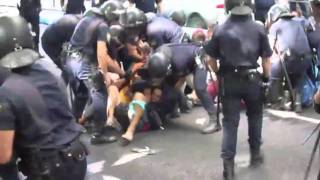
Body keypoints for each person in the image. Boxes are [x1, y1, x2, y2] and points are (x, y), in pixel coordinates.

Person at [0, 15, 87, 180]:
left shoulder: (6, 93)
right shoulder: (50, 74)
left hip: (49, 170)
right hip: (77, 158)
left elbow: (3, 156)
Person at [204, 0, 272, 179]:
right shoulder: (258, 28)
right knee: (255, 117)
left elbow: (210, 59)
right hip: (252, 79)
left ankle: (228, 168)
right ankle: (255, 154)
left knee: (229, 123)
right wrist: (266, 79)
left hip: (229, 80)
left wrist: (219, 73)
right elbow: (266, 60)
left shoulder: (220, 29)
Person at [66, 0, 126, 144]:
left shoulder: (87, 19)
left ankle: (72, 127)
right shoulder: (103, 26)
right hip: (83, 62)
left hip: (70, 59)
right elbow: (101, 54)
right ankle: (98, 134)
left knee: (80, 95)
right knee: (100, 94)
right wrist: (105, 75)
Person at [146, 42, 222, 134]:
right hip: (178, 61)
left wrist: (178, 97)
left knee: (200, 88)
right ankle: (175, 107)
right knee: (167, 87)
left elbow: (181, 80)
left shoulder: (179, 63)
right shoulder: (156, 58)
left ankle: (215, 121)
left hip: (198, 57)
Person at [269, 5, 312, 112]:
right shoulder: (300, 21)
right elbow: (310, 27)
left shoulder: (275, 26)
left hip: (288, 59)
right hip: (306, 58)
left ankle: (276, 101)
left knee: (274, 72)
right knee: (297, 77)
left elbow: (271, 47)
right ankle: (297, 102)